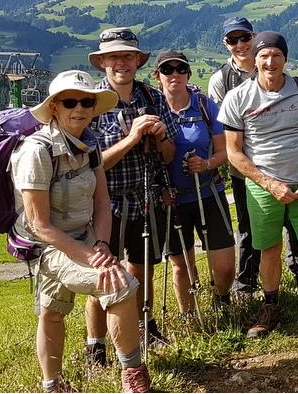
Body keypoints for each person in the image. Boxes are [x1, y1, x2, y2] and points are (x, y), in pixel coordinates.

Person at [12, 70, 150, 392]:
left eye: (87, 101)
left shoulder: (90, 145)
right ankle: (128, 377)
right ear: (55, 107)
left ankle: (65, 383)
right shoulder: (37, 151)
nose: (80, 108)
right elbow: (38, 224)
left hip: (84, 237)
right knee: (118, 285)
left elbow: (103, 202)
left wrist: (101, 243)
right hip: (47, 246)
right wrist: (91, 255)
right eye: (70, 101)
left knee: (54, 312)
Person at [219, 31, 298, 337]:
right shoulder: (238, 98)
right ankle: (271, 306)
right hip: (262, 188)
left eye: (276, 55)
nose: (270, 62)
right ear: (255, 60)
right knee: (270, 249)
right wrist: (268, 183)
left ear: (285, 58)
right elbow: (233, 153)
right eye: (264, 56)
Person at [88, 27, 175, 360]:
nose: (121, 62)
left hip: (146, 196)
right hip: (103, 204)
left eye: (127, 56)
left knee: (143, 268)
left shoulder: (152, 97)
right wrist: (132, 138)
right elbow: (92, 164)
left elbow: (168, 155)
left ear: (138, 61)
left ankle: (144, 328)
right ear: (103, 62)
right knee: (100, 277)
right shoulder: (91, 103)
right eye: (114, 57)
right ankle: (95, 347)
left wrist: (162, 136)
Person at [207, 17, 298, 301]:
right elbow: (221, 127)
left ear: (254, 38)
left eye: (244, 38)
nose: (240, 45)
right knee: (249, 225)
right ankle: (247, 279)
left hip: (283, 162)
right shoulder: (221, 80)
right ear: (225, 44)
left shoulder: (275, 68)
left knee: (292, 219)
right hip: (245, 170)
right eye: (232, 40)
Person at [153, 50, 237, 315]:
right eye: (168, 70)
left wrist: (207, 164)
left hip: (209, 192)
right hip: (171, 199)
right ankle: (189, 317)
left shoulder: (204, 106)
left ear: (188, 74)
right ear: (158, 77)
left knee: (223, 266)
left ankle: (221, 301)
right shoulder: (153, 110)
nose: (174, 74)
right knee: (182, 265)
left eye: (180, 69)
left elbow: (225, 152)